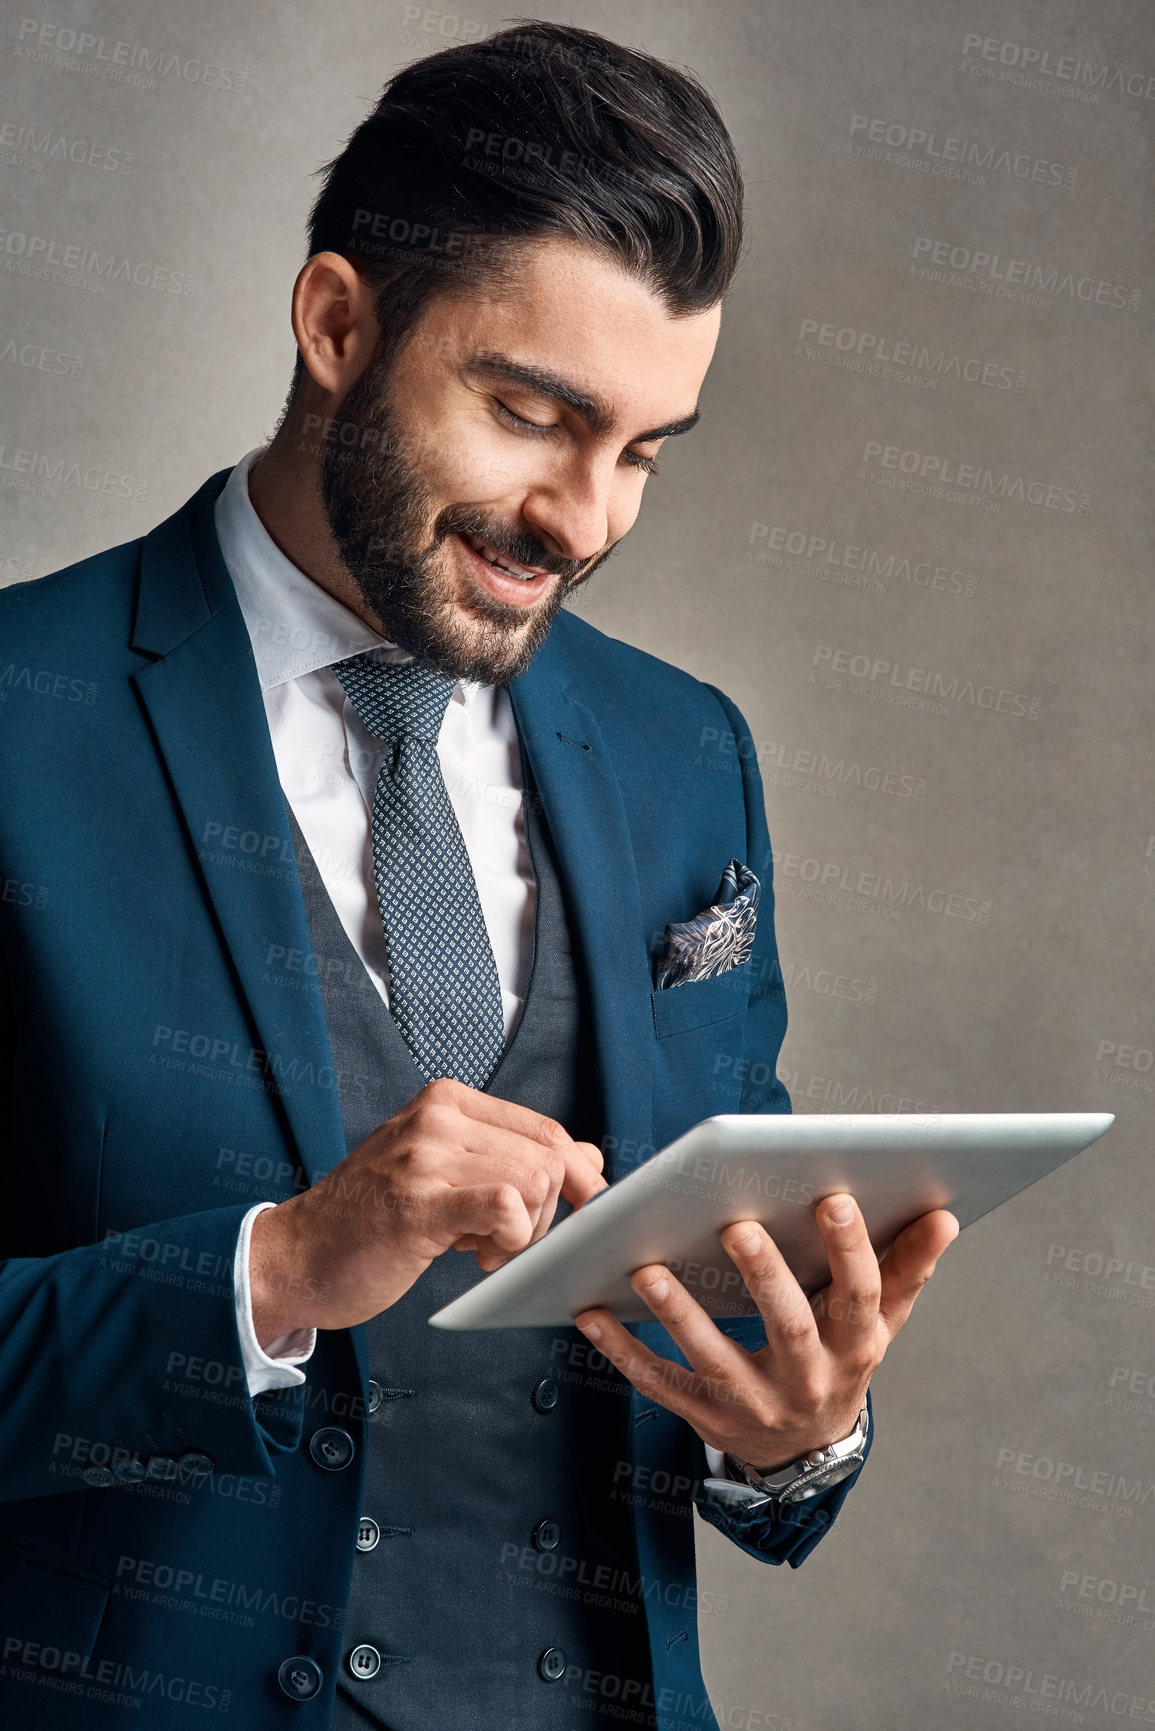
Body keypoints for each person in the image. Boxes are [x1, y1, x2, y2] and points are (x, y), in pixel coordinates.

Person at [0, 20, 956, 1730]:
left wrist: (793, 1438)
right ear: (339, 324)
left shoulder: (686, 756)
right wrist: (277, 1270)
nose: (583, 519)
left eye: (646, 451)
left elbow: (720, 1314)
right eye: (530, 415)